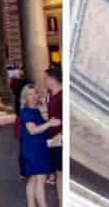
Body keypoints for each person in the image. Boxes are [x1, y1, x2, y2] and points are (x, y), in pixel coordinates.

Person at [19, 85, 54, 207]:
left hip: (35, 147)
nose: (33, 96)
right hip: (35, 149)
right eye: (30, 94)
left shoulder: (35, 110)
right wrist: (49, 124)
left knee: (33, 179)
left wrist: (44, 108)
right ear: (25, 97)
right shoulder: (27, 111)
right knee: (40, 179)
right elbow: (32, 130)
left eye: (35, 93)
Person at [44, 65, 63, 193]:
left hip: (60, 139)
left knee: (61, 174)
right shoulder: (51, 95)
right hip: (53, 139)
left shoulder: (62, 95)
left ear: (52, 79)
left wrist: (62, 133)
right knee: (58, 174)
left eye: (45, 78)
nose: (44, 81)